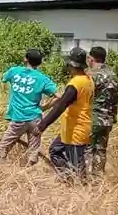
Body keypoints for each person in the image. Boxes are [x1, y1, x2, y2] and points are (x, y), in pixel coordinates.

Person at [36, 47, 95, 182]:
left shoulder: (75, 84)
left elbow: (61, 106)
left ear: (71, 65)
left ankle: (79, 187)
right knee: (55, 150)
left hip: (76, 130)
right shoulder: (88, 80)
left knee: (77, 167)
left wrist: (42, 125)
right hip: (74, 128)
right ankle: (68, 178)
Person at [0, 47, 57, 165]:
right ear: (40, 63)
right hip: (35, 119)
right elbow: (59, 96)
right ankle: (30, 174)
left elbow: (3, 78)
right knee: (33, 152)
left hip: (18, 118)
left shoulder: (14, 71)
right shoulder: (43, 79)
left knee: (2, 148)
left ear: (25, 59)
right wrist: (45, 107)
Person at [87, 46, 118, 178]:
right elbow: (115, 99)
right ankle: (98, 179)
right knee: (101, 150)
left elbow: (85, 96)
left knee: (87, 149)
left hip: (93, 118)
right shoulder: (113, 75)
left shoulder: (91, 75)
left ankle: (85, 178)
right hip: (108, 119)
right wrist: (113, 117)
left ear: (91, 58)